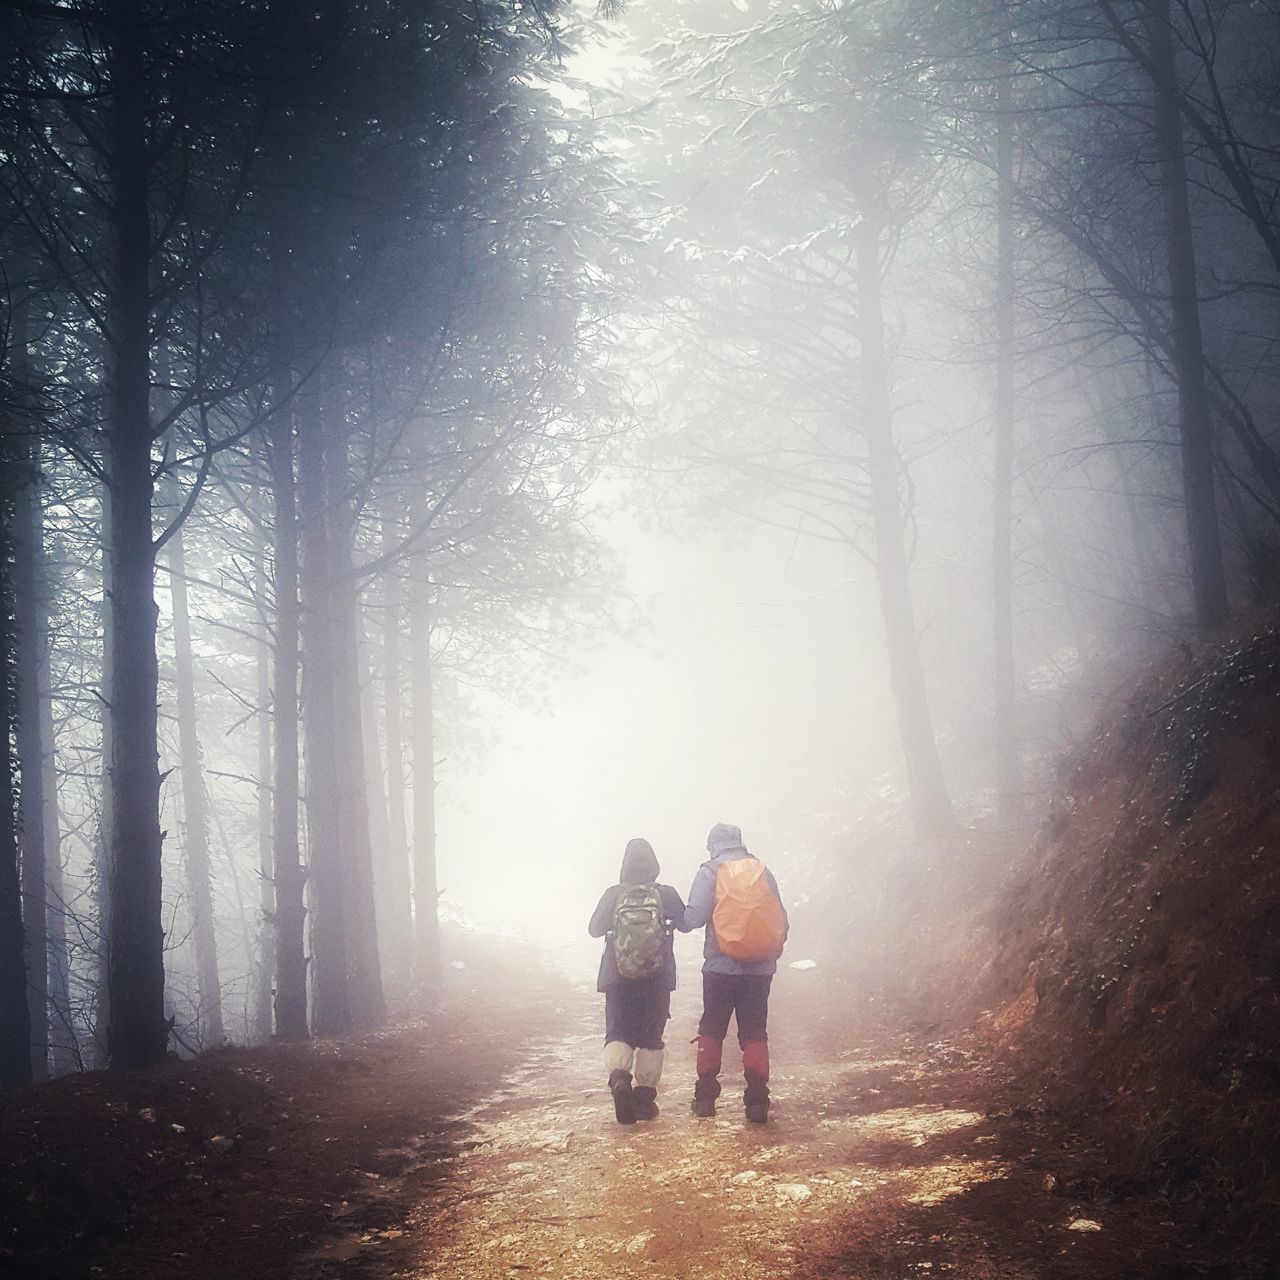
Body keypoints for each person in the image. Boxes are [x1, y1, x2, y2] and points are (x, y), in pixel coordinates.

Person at [683, 822, 788, 1124]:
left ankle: (705, 1099)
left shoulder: (710, 871)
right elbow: (781, 918)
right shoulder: (760, 870)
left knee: (712, 1028)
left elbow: (694, 917)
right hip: (760, 969)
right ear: (740, 842)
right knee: (754, 1031)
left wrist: (675, 917)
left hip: (719, 967)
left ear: (712, 844)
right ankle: (757, 1101)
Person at [588, 838, 690, 1125]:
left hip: (617, 976)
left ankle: (620, 1079)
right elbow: (685, 922)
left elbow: (594, 929)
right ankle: (644, 1100)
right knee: (650, 1036)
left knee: (618, 1030)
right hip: (657, 977)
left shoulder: (613, 894)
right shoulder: (665, 894)